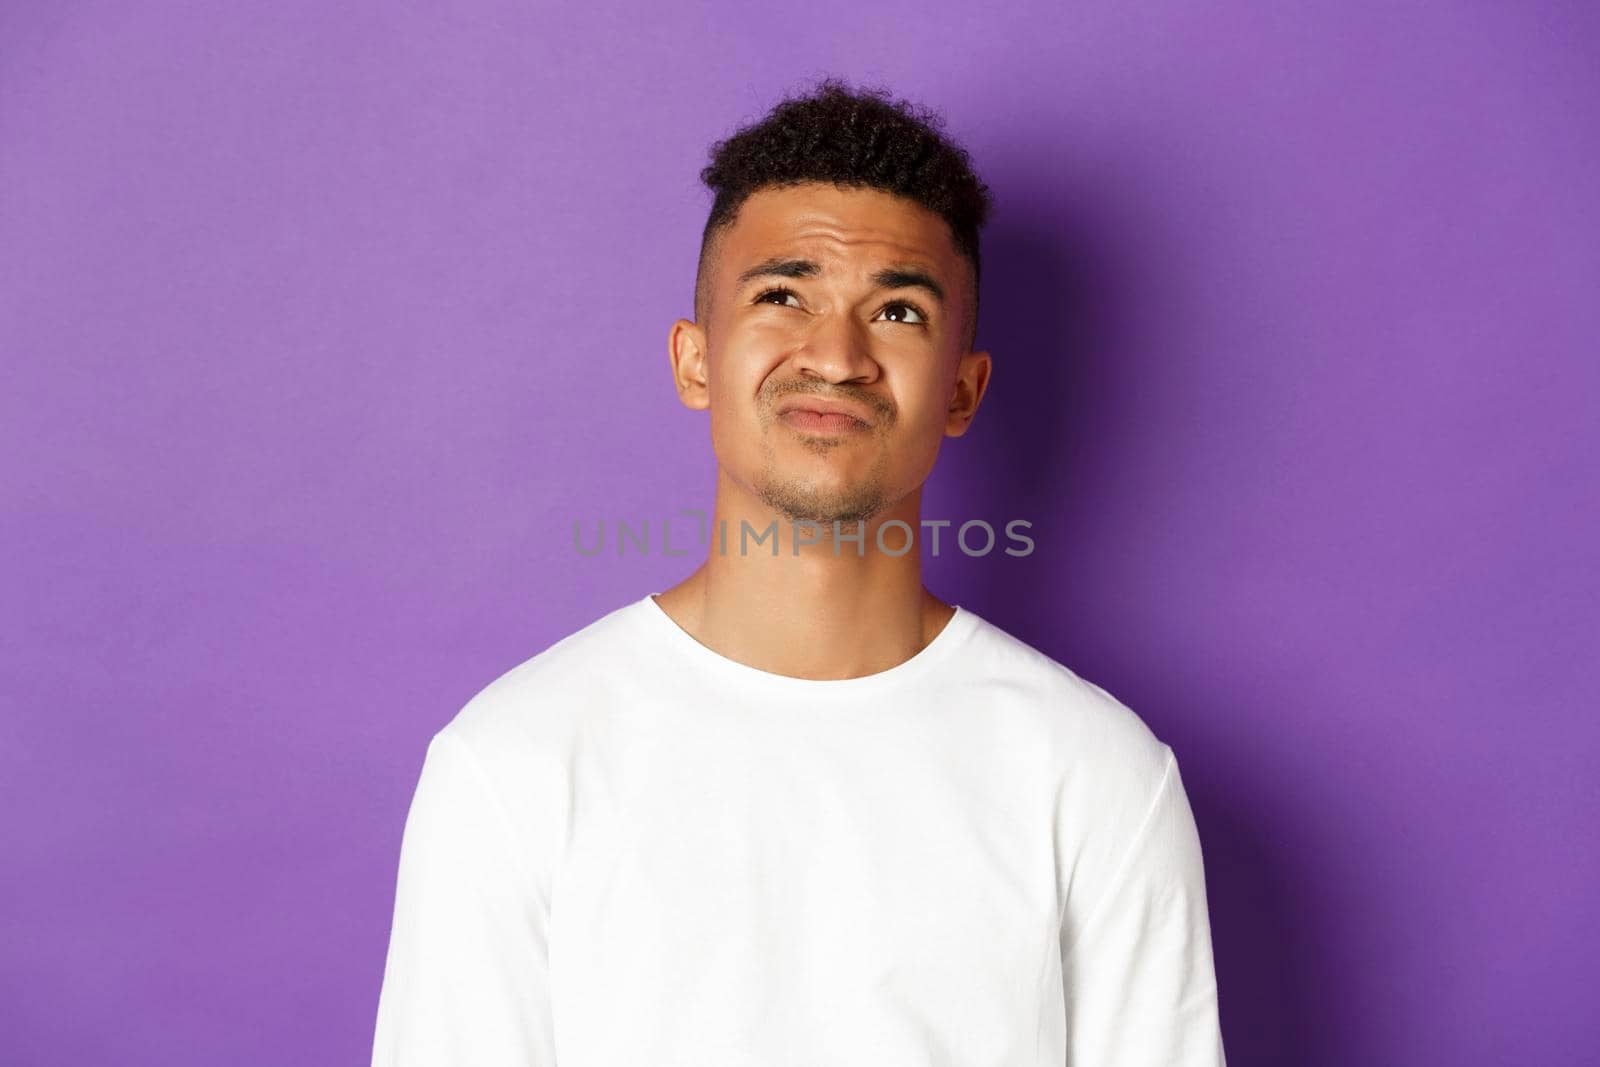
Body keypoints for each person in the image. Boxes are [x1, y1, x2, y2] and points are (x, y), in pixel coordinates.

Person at [370, 76, 1227, 1066]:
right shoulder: (511, 761)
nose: (835, 353)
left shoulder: (1096, 776)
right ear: (696, 360)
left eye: (897, 310)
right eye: (782, 295)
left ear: (961, 387)